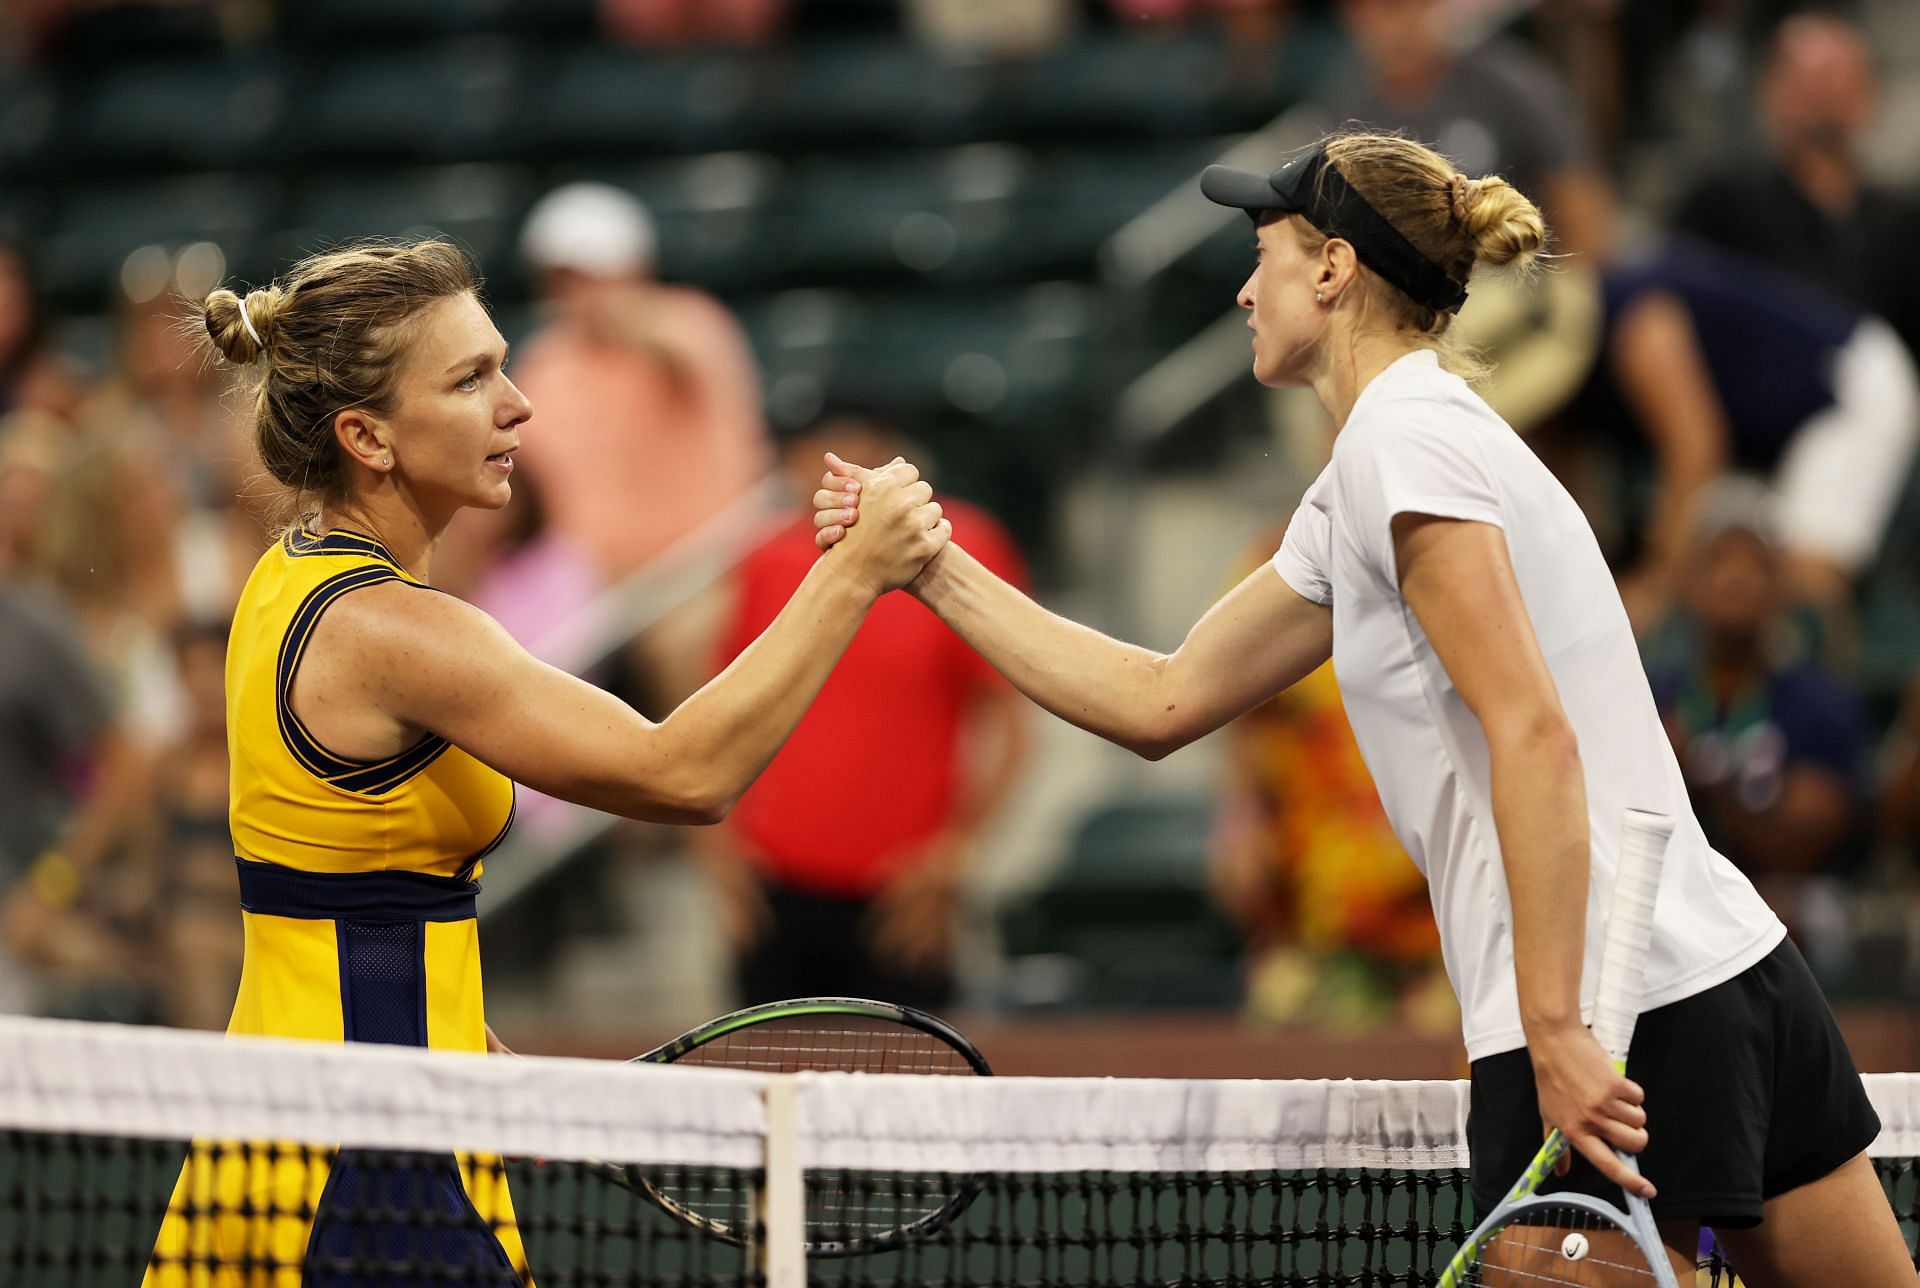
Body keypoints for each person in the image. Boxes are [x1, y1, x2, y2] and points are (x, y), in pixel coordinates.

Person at [815, 133, 1912, 1282]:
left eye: (1265, 256)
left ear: (1333, 270)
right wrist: (928, 562)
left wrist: (1554, 1030)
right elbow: (1162, 698)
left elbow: (1530, 726)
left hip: (1612, 1005)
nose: (1245, 288)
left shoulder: (1401, 440)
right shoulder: (1384, 465)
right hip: (1734, 971)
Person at [143, 238, 947, 1285]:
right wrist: (851, 576)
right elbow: (684, 771)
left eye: (503, 365)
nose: (519, 405)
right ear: (365, 435)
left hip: (300, 1125)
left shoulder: (282, 579)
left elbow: (346, 890)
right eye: (471, 379)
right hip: (373, 1169)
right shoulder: (402, 633)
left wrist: (465, 1042)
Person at [704, 401, 1029, 1012]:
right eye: (818, 453)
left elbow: (1011, 730)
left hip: (902, 890)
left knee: (911, 1085)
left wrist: (952, 857)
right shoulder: (762, 560)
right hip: (775, 881)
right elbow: (715, 713)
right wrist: (720, 860)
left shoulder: (960, 546)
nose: (836, 471)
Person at [1647, 479, 1869, 967]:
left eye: (1755, 564)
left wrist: (1696, 773)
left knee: (1790, 910)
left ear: (1782, 585)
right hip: (1672, 905)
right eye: (1718, 560)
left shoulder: (1821, 705)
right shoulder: (1648, 697)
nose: (1735, 579)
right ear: (1688, 581)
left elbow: (1800, 847)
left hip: (1786, 918)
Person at [1674, 12, 1920, 362]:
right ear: (1771, 90)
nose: (1822, 97)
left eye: (1836, 78)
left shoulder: (1904, 221)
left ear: (1869, 94)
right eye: (1805, 80)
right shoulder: (1721, 205)